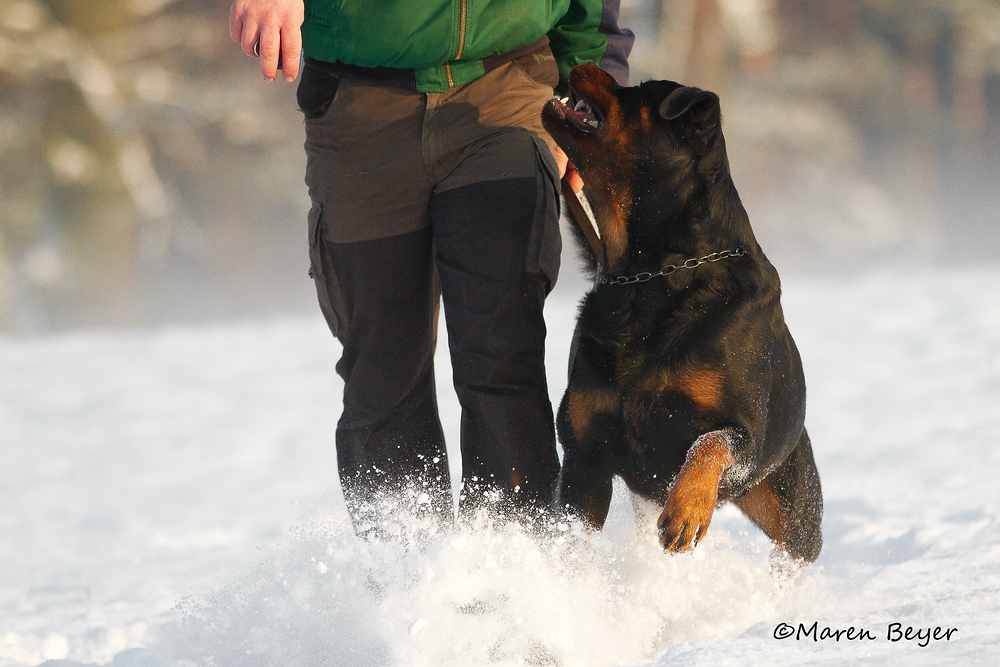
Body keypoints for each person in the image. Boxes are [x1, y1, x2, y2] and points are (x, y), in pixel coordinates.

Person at [229, 0, 632, 534]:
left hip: (507, 91)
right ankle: (407, 590)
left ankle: (514, 583)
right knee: (384, 373)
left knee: (501, 355)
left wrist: (592, 99)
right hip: (360, 104)